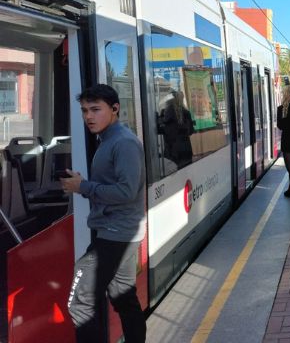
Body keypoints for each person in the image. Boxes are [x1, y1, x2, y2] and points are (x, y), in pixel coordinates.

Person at [61, 84, 146, 343]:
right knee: (124, 299)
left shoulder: (123, 142)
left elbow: (127, 192)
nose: (88, 116)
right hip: (117, 233)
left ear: (115, 109)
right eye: (85, 110)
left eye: (96, 109)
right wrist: (84, 184)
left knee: (81, 302)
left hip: (115, 235)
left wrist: (83, 187)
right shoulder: (110, 140)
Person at [159, 90, 195, 168]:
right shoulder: (186, 112)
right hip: (186, 151)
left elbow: (163, 130)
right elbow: (191, 131)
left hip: (173, 153)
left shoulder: (166, 114)